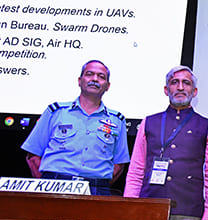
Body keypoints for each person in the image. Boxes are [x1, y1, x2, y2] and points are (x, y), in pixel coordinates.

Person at [124, 66, 208, 220]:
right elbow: (136, 170)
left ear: (195, 91)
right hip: (149, 210)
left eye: (186, 83)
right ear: (166, 89)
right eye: (174, 82)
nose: (181, 87)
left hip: (188, 214)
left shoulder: (207, 126)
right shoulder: (148, 122)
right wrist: (129, 208)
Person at [22, 60, 129, 196]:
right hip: (54, 184)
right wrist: (46, 184)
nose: (95, 79)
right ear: (79, 80)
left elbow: (119, 165)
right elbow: (33, 155)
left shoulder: (117, 120)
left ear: (107, 86)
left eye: (101, 77)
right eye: (89, 74)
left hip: (96, 188)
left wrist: (95, 185)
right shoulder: (55, 112)